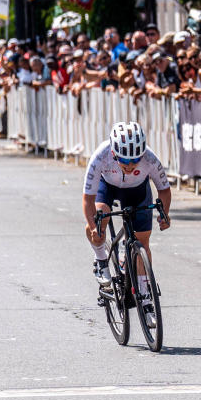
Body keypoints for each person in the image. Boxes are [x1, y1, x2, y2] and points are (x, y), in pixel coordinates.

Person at [82, 121, 173, 326]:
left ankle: (146, 297)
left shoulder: (149, 158)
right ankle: (101, 260)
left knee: (143, 242)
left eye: (135, 160)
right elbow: (88, 199)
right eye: (124, 160)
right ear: (114, 153)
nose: (131, 165)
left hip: (138, 191)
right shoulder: (101, 156)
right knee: (98, 218)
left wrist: (164, 214)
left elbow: (164, 190)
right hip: (109, 187)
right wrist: (95, 227)